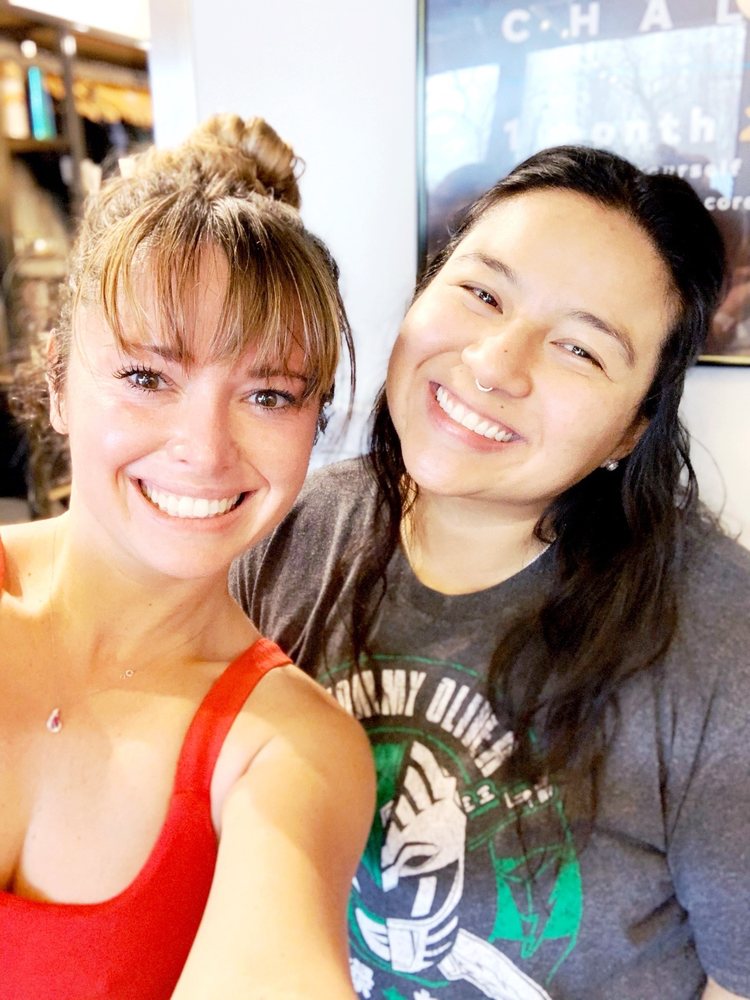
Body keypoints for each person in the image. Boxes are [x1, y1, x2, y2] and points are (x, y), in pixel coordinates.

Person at [232, 145, 750, 1000]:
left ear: (634, 428)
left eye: (579, 349)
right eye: (482, 294)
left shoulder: (721, 641)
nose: (494, 364)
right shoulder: (282, 530)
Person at [1, 113, 374, 999]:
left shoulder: (291, 751)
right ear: (58, 381)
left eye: (269, 395)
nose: (204, 452)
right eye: (147, 377)